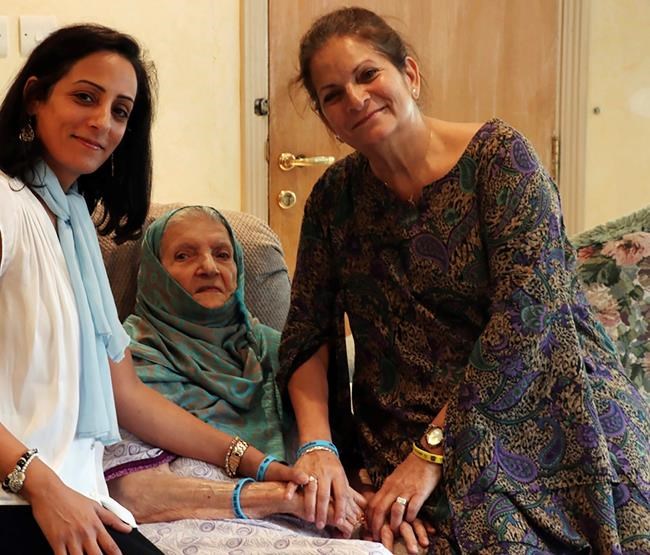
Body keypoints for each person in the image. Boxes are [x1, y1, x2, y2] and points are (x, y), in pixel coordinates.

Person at [278, 7, 650, 555]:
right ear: (326, 117)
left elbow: (527, 322)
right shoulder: (333, 198)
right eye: (333, 95)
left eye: (367, 74)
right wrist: (319, 448)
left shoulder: (502, 160)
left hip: (543, 402)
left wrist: (431, 454)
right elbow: (308, 330)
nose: (355, 99)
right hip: (401, 426)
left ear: (409, 74)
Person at [0, 24, 305, 555]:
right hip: (22, 496)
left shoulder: (74, 227)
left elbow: (129, 396)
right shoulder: (6, 203)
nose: (103, 122)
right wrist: (41, 486)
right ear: (34, 97)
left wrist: (260, 465)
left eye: (120, 111)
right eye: (85, 97)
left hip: (80, 497)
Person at [102, 205, 367, 540]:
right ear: (154, 274)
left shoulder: (285, 354)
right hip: (186, 528)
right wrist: (278, 497)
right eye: (184, 256)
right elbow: (129, 493)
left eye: (222, 254)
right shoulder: (124, 360)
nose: (209, 268)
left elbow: (339, 462)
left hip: (302, 524)